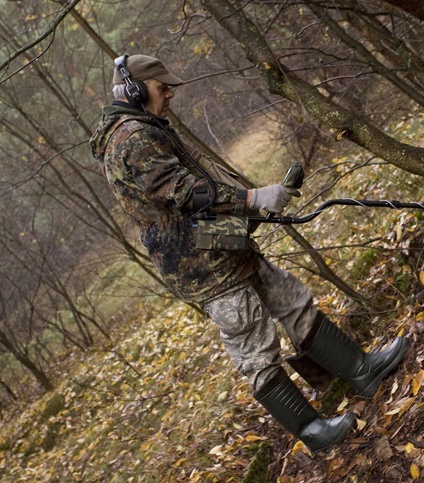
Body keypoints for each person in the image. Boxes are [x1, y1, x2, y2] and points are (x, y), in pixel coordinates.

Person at [89, 54, 407, 454]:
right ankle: (312, 432)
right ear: (133, 90)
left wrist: (250, 207)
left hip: (220, 246)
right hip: (202, 266)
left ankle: (362, 370)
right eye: (161, 86)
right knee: (256, 349)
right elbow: (186, 192)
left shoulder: (142, 128)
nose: (169, 93)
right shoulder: (133, 138)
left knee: (294, 302)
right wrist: (254, 198)